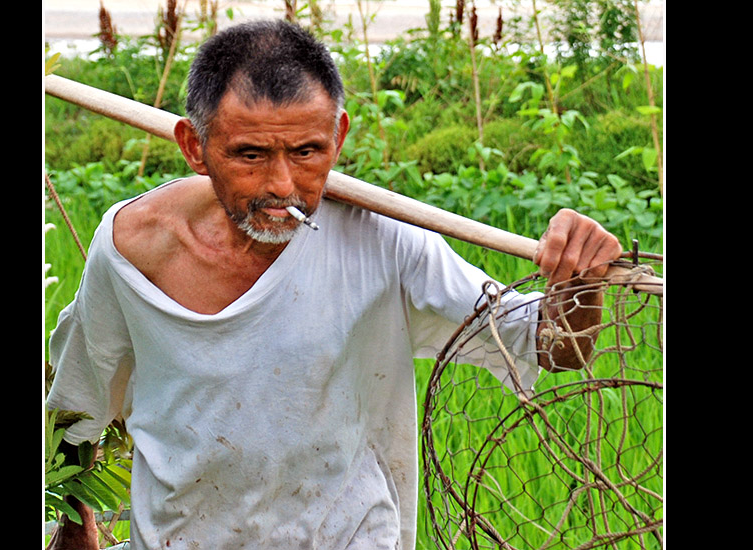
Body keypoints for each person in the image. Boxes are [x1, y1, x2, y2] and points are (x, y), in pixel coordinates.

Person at [45, 19, 621, 550]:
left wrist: (581, 278)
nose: (282, 184)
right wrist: (75, 529)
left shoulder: (389, 240)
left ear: (338, 137)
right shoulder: (132, 245)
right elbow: (79, 401)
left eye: (307, 152)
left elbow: (553, 347)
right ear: (195, 147)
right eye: (249, 155)